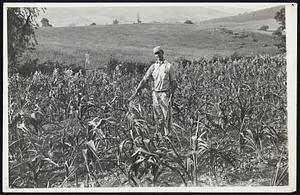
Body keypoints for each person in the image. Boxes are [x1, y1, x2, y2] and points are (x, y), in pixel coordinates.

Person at [128, 46, 177, 136]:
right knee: (157, 116)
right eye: (155, 53)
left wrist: (171, 95)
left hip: (165, 93)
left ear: (162, 52)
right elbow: (144, 79)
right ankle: (160, 136)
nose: (157, 55)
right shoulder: (153, 67)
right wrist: (136, 92)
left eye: (159, 52)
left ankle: (169, 137)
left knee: (167, 116)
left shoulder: (169, 66)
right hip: (155, 94)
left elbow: (174, 82)